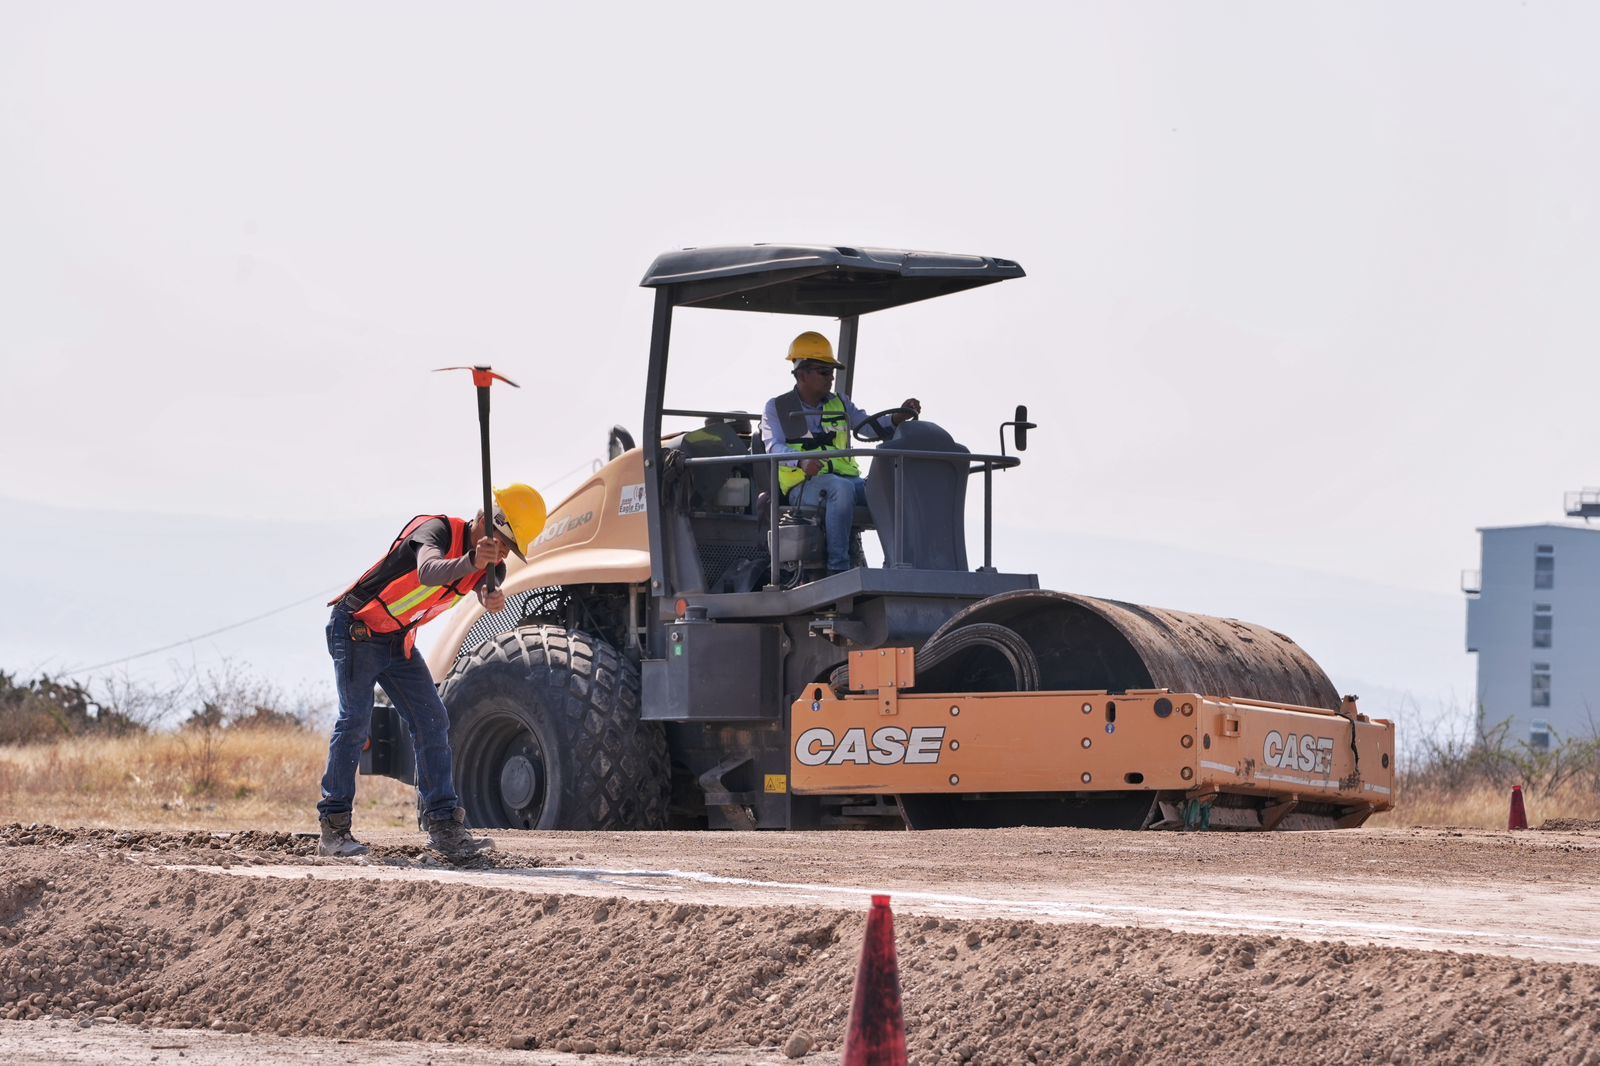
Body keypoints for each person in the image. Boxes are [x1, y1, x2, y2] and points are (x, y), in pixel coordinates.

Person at [316, 483, 544, 861]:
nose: (502, 552)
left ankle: (444, 828)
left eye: (508, 548)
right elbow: (428, 572)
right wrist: (473, 560)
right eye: (502, 540)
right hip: (356, 629)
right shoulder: (434, 531)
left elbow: (490, 581)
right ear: (486, 520)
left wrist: (489, 593)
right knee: (356, 721)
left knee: (433, 720)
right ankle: (334, 829)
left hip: (396, 641)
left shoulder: (490, 566)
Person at [759, 331, 921, 575]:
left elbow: (867, 427)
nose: (831, 378)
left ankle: (901, 567)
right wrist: (801, 461)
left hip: (848, 482)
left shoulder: (841, 403)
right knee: (840, 489)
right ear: (802, 373)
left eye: (832, 372)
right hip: (803, 487)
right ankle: (839, 571)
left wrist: (897, 418)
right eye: (824, 372)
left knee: (891, 491)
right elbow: (774, 447)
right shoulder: (776, 407)